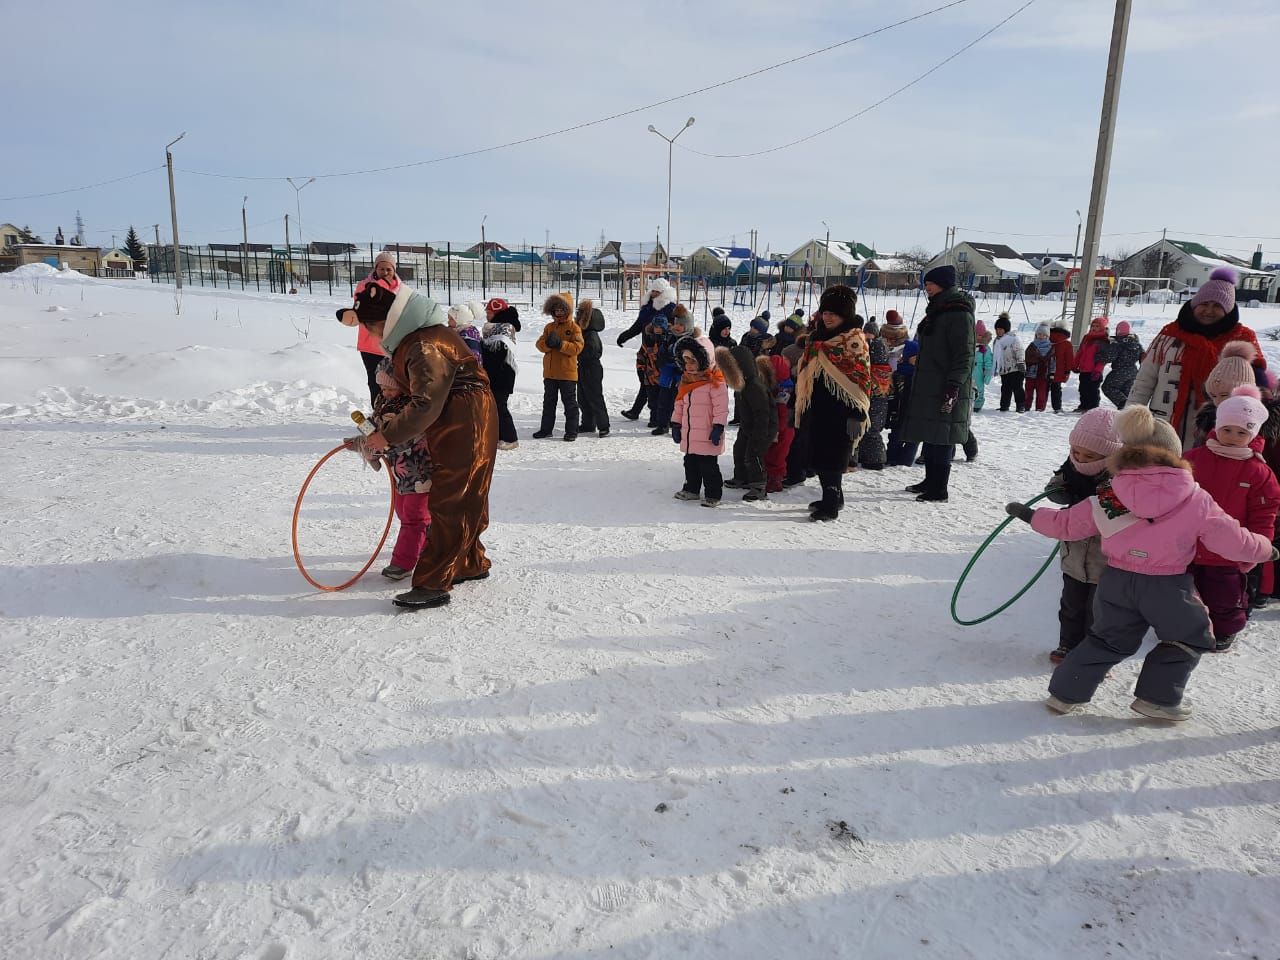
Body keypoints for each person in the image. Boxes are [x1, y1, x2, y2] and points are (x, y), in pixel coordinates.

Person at [1006, 405, 1276, 720]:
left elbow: (1067, 524)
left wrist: (1031, 515)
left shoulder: (1112, 493)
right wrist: (1265, 550)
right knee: (1191, 636)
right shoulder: (1194, 498)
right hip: (1166, 584)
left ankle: (1065, 694)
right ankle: (1157, 698)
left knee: (1107, 638)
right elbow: (1231, 539)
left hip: (1116, 581)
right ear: (1175, 455)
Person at [343, 278, 497, 610]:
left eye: (372, 328)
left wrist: (386, 435)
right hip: (461, 416)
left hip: (464, 420)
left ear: (389, 321)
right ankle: (469, 562)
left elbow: (425, 403)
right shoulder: (418, 339)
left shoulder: (422, 345)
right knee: (466, 491)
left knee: (452, 496)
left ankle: (432, 582)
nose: (371, 336)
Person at [1183, 385, 1280, 652]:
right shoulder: (1192, 460)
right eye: (1227, 429)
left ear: (1253, 434)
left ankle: (1225, 629)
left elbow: (1264, 514)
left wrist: (1256, 547)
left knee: (1225, 595)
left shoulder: (1258, 472)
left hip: (1229, 551)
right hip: (1188, 544)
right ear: (1217, 426)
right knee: (1186, 591)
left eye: (1242, 432)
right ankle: (1183, 626)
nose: (1233, 437)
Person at [1129, 267, 1265, 450]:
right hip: (1163, 425)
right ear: (1194, 304)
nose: (1209, 310)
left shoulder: (1242, 339)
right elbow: (1145, 379)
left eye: (1217, 306)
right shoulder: (1170, 335)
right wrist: (1130, 418)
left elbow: (1256, 389)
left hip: (1218, 431)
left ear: (1228, 309)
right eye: (1204, 303)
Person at [1043, 409, 1122, 663]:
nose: (1080, 459)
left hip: (1104, 558)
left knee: (1098, 610)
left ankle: (1094, 651)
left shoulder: (1121, 477)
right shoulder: (1071, 466)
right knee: (1071, 604)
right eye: (1076, 452)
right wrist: (1058, 490)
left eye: (1089, 455)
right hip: (1074, 553)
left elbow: (1119, 512)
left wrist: (1099, 499)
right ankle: (1067, 643)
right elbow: (1055, 484)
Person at [794, 285, 872, 520]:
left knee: (833, 458)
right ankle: (834, 497)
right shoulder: (817, 337)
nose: (827, 318)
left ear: (844, 315)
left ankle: (830, 505)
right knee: (819, 455)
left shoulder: (853, 341)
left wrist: (857, 412)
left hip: (842, 410)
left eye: (833, 314)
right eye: (825, 312)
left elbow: (862, 378)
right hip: (817, 406)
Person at [900, 265, 975, 503]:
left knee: (943, 435)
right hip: (931, 383)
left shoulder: (958, 313)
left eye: (929, 284)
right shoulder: (939, 310)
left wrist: (954, 385)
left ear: (942, 284)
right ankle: (929, 480)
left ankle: (939, 488)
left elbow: (965, 354)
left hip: (946, 384)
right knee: (931, 433)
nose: (926, 289)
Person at [365, 359, 433, 581]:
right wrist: (364, 436)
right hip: (400, 472)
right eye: (382, 388)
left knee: (413, 518)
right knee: (403, 511)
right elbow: (375, 426)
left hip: (419, 471)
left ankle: (402, 563)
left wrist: (378, 443)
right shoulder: (383, 402)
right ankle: (429, 539)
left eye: (390, 388)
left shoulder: (411, 410)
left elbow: (402, 437)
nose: (386, 393)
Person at [670, 334, 729, 507]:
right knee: (690, 463)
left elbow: (721, 407)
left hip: (707, 433)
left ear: (704, 360)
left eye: (692, 361)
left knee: (708, 465)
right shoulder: (686, 380)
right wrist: (676, 423)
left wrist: (718, 426)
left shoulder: (715, 381)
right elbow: (679, 404)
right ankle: (691, 489)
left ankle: (713, 493)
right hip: (689, 433)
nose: (688, 366)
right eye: (685, 361)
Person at [336, 250, 397, 403]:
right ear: (375, 268)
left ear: (394, 270)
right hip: (370, 345)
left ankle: (394, 415)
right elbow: (365, 309)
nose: (384, 272)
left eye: (388, 269)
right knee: (376, 381)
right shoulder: (364, 286)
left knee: (395, 382)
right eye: (381, 268)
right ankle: (377, 413)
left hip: (393, 345)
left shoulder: (400, 288)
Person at [719, 342, 776, 501]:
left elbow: (762, 413)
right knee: (739, 449)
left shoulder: (754, 386)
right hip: (747, 426)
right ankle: (741, 477)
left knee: (754, 455)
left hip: (762, 428)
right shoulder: (741, 385)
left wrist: (759, 434)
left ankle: (759, 486)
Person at [618, 278, 676, 421]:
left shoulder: (670, 309)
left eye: (657, 291)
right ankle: (639, 411)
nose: (654, 293)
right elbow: (638, 325)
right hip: (646, 348)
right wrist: (625, 336)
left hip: (661, 351)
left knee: (655, 383)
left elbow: (675, 329)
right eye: (653, 290)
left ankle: (657, 415)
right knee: (646, 380)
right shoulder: (648, 307)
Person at [533, 293, 584, 441]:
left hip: (567, 374)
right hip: (550, 373)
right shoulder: (549, 327)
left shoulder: (574, 328)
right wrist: (548, 344)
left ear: (568, 310)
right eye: (556, 310)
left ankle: (571, 431)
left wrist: (560, 344)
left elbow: (577, 347)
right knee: (548, 403)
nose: (559, 312)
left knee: (570, 404)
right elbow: (539, 344)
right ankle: (546, 429)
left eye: (562, 309)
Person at [1192, 342, 1259, 448]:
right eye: (1213, 396)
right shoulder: (1206, 418)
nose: (1217, 402)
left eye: (1224, 395)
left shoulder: (1263, 423)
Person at [856, 319, 892, 470]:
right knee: (871, 428)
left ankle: (875, 460)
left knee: (871, 429)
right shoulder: (881, 346)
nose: (868, 336)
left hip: (875, 394)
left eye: (870, 333)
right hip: (880, 394)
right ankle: (870, 457)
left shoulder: (874, 346)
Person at [480, 315, 519, 450]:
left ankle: (511, 438)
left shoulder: (502, 342)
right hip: (495, 379)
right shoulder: (492, 342)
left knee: (501, 408)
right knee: (495, 408)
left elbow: (496, 360)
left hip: (502, 380)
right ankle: (499, 436)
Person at [575, 298, 610, 438]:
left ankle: (604, 426)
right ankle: (588, 423)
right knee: (583, 397)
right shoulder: (585, 333)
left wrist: (575, 352)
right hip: (583, 366)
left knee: (595, 397)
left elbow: (590, 352)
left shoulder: (591, 335)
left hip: (592, 367)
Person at [762, 354, 796, 492]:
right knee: (770, 454)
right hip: (776, 427)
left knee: (778, 456)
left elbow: (784, 412)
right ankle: (771, 476)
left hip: (783, 429)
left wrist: (777, 430)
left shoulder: (785, 390)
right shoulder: (777, 386)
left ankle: (776, 480)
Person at [1101, 320, 1142, 409]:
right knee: (1126, 392)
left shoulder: (1117, 343)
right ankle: (1129, 411)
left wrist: (1100, 356)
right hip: (1133, 372)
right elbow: (1143, 356)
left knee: (1108, 387)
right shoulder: (1136, 344)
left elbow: (1110, 357)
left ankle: (1124, 405)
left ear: (1117, 331)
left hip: (1119, 371)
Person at [1072, 317, 1110, 412]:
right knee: (1083, 389)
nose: (1094, 328)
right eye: (1093, 325)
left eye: (1097, 326)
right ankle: (1083, 406)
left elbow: (1103, 358)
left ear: (1102, 328)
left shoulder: (1103, 340)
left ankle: (1093, 408)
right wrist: (1075, 364)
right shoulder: (1087, 337)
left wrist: (1098, 370)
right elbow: (1080, 352)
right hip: (1084, 369)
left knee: (1092, 390)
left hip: (1094, 371)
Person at [992, 313, 1026, 412]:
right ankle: (1004, 405)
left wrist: (1020, 363)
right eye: (997, 329)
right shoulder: (997, 341)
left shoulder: (1013, 339)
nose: (998, 331)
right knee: (1005, 388)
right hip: (1004, 370)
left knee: (1017, 388)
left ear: (1006, 330)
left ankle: (1020, 405)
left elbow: (1020, 351)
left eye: (1000, 329)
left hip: (1016, 368)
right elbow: (996, 355)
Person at [1024, 324, 1054, 413]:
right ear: (1036, 335)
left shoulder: (1050, 347)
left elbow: (1052, 361)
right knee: (1028, 392)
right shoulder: (1032, 346)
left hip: (1044, 374)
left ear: (1047, 336)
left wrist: (1052, 373)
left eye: (1044, 335)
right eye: (1039, 334)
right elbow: (1026, 358)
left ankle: (1040, 408)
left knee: (1041, 393)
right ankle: (1026, 407)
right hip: (1031, 373)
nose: (1041, 337)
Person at [1048, 323, 1075, 414]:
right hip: (1059, 371)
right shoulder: (1067, 343)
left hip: (1046, 369)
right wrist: (1067, 371)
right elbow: (1069, 359)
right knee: (1056, 389)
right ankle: (1057, 407)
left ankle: (1040, 407)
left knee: (1043, 389)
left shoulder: (1046, 339)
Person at [972, 320, 995, 412]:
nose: (979, 337)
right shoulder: (970, 345)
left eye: (981, 335)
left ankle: (978, 404)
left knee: (979, 388)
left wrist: (987, 373)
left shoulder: (985, 348)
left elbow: (988, 362)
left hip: (979, 371)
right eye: (977, 334)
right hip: (969, 369)